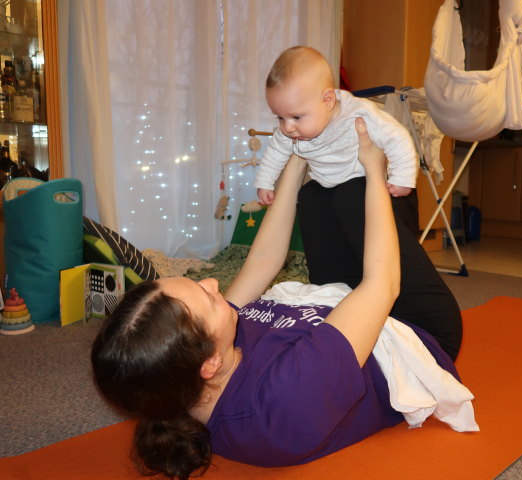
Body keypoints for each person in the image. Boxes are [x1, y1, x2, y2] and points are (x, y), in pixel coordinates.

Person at [91, 119, 468, 480]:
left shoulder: (196, 364)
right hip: (410, 330)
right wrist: (374, 169)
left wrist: (297, 154)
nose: (210, 282)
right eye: (206, 298)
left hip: (338, 308)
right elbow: (382, 285)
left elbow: (263, 264)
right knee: (352, 191)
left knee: (315, 195)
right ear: (211, 362)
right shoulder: (285, 399)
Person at [254, 45, 417, 205]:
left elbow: (397, 137)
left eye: (296, 117)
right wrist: (265, 183)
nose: (287, 128)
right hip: (324, 181)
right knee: (307, 197)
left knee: (348, 195)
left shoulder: (358, 113)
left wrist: (402, 177)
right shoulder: (290, 131)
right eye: (280, 118)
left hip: (359, 178)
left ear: (327, 100)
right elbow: (274, 154)